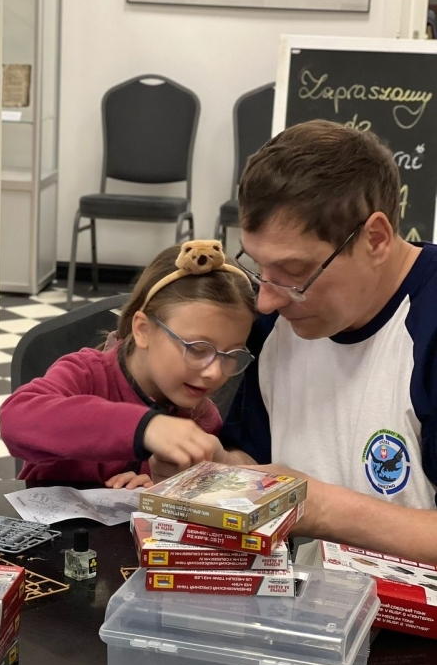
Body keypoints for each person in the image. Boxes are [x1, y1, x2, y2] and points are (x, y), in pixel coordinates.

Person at [152, 120, 437, 564]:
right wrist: (216, 469)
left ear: (376, 239)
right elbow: (259, 459)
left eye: (294, 272)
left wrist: (317, 506)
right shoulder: (278, 323)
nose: (266, 300)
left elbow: (302, 497)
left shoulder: (426, 324)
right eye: (258, 267)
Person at [0, 241, 255, 487]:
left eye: (231, 355)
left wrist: (157, 490)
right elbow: (16, 420)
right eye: (198, 349)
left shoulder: (202, 421)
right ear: (143, 330)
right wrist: (145, 428)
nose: (214, 372)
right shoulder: (86, 373)